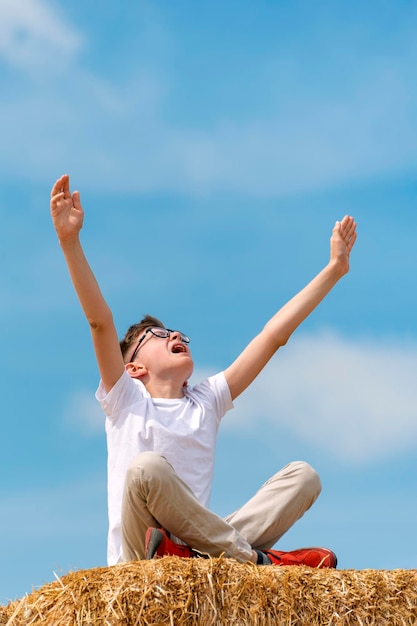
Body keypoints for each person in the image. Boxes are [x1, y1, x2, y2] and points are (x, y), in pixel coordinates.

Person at [50, 173, 357, 569]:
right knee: (146, 468)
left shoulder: (206, 400)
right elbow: (99, 322)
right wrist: (69, 241)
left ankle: (212, 557)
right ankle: (256, 562)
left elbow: (273, 336)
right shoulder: (126, 399)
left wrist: (333, 269)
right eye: (158, 335)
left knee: (304, 477)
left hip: (200, 550)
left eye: (177, 332)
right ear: (134, 367)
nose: (175, 334)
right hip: (138, 554)